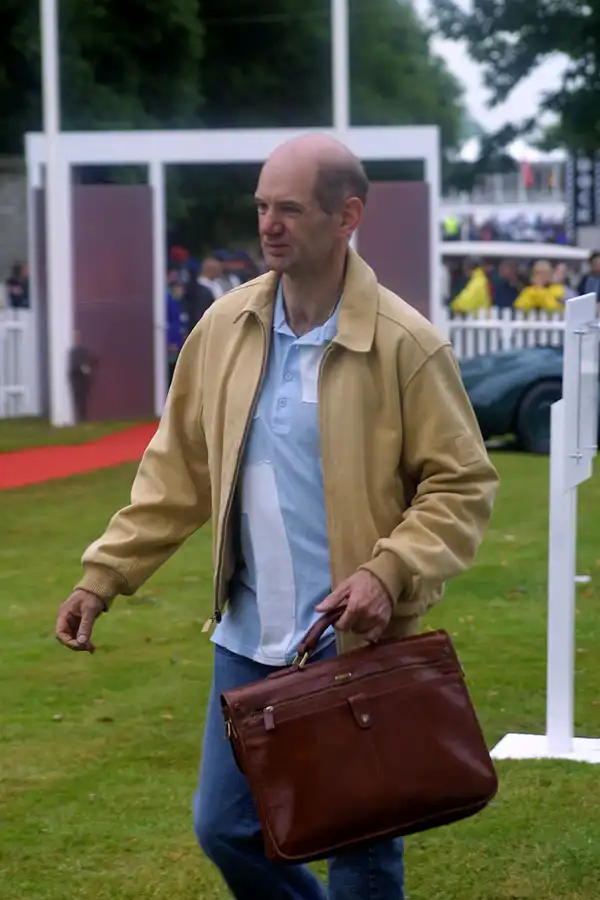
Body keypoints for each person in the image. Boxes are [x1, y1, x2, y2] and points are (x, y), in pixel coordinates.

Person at [55, 133, 499, 900]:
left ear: (347, 215)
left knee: (360, 849)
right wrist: (103, 578)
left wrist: (387, 572)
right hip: (249, 637)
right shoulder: (222, 331)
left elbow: (462, 485)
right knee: (226, 829)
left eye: (289, 209)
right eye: (263, 206)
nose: (269, 223)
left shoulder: (405, 344)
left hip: (357, 639)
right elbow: (176, 474)